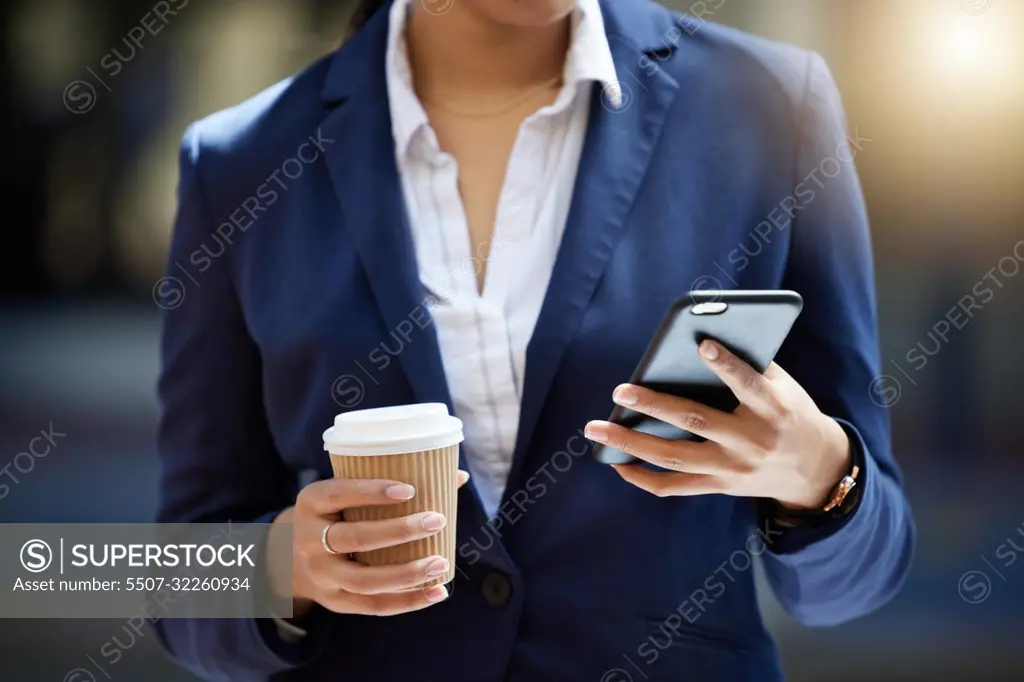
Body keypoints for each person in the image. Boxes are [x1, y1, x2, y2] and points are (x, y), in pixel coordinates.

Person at [153, 0, 915, 680]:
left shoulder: (773, 104)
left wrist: (820, 474)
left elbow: (861, 577)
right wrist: (287, 565)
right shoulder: (240, 162)